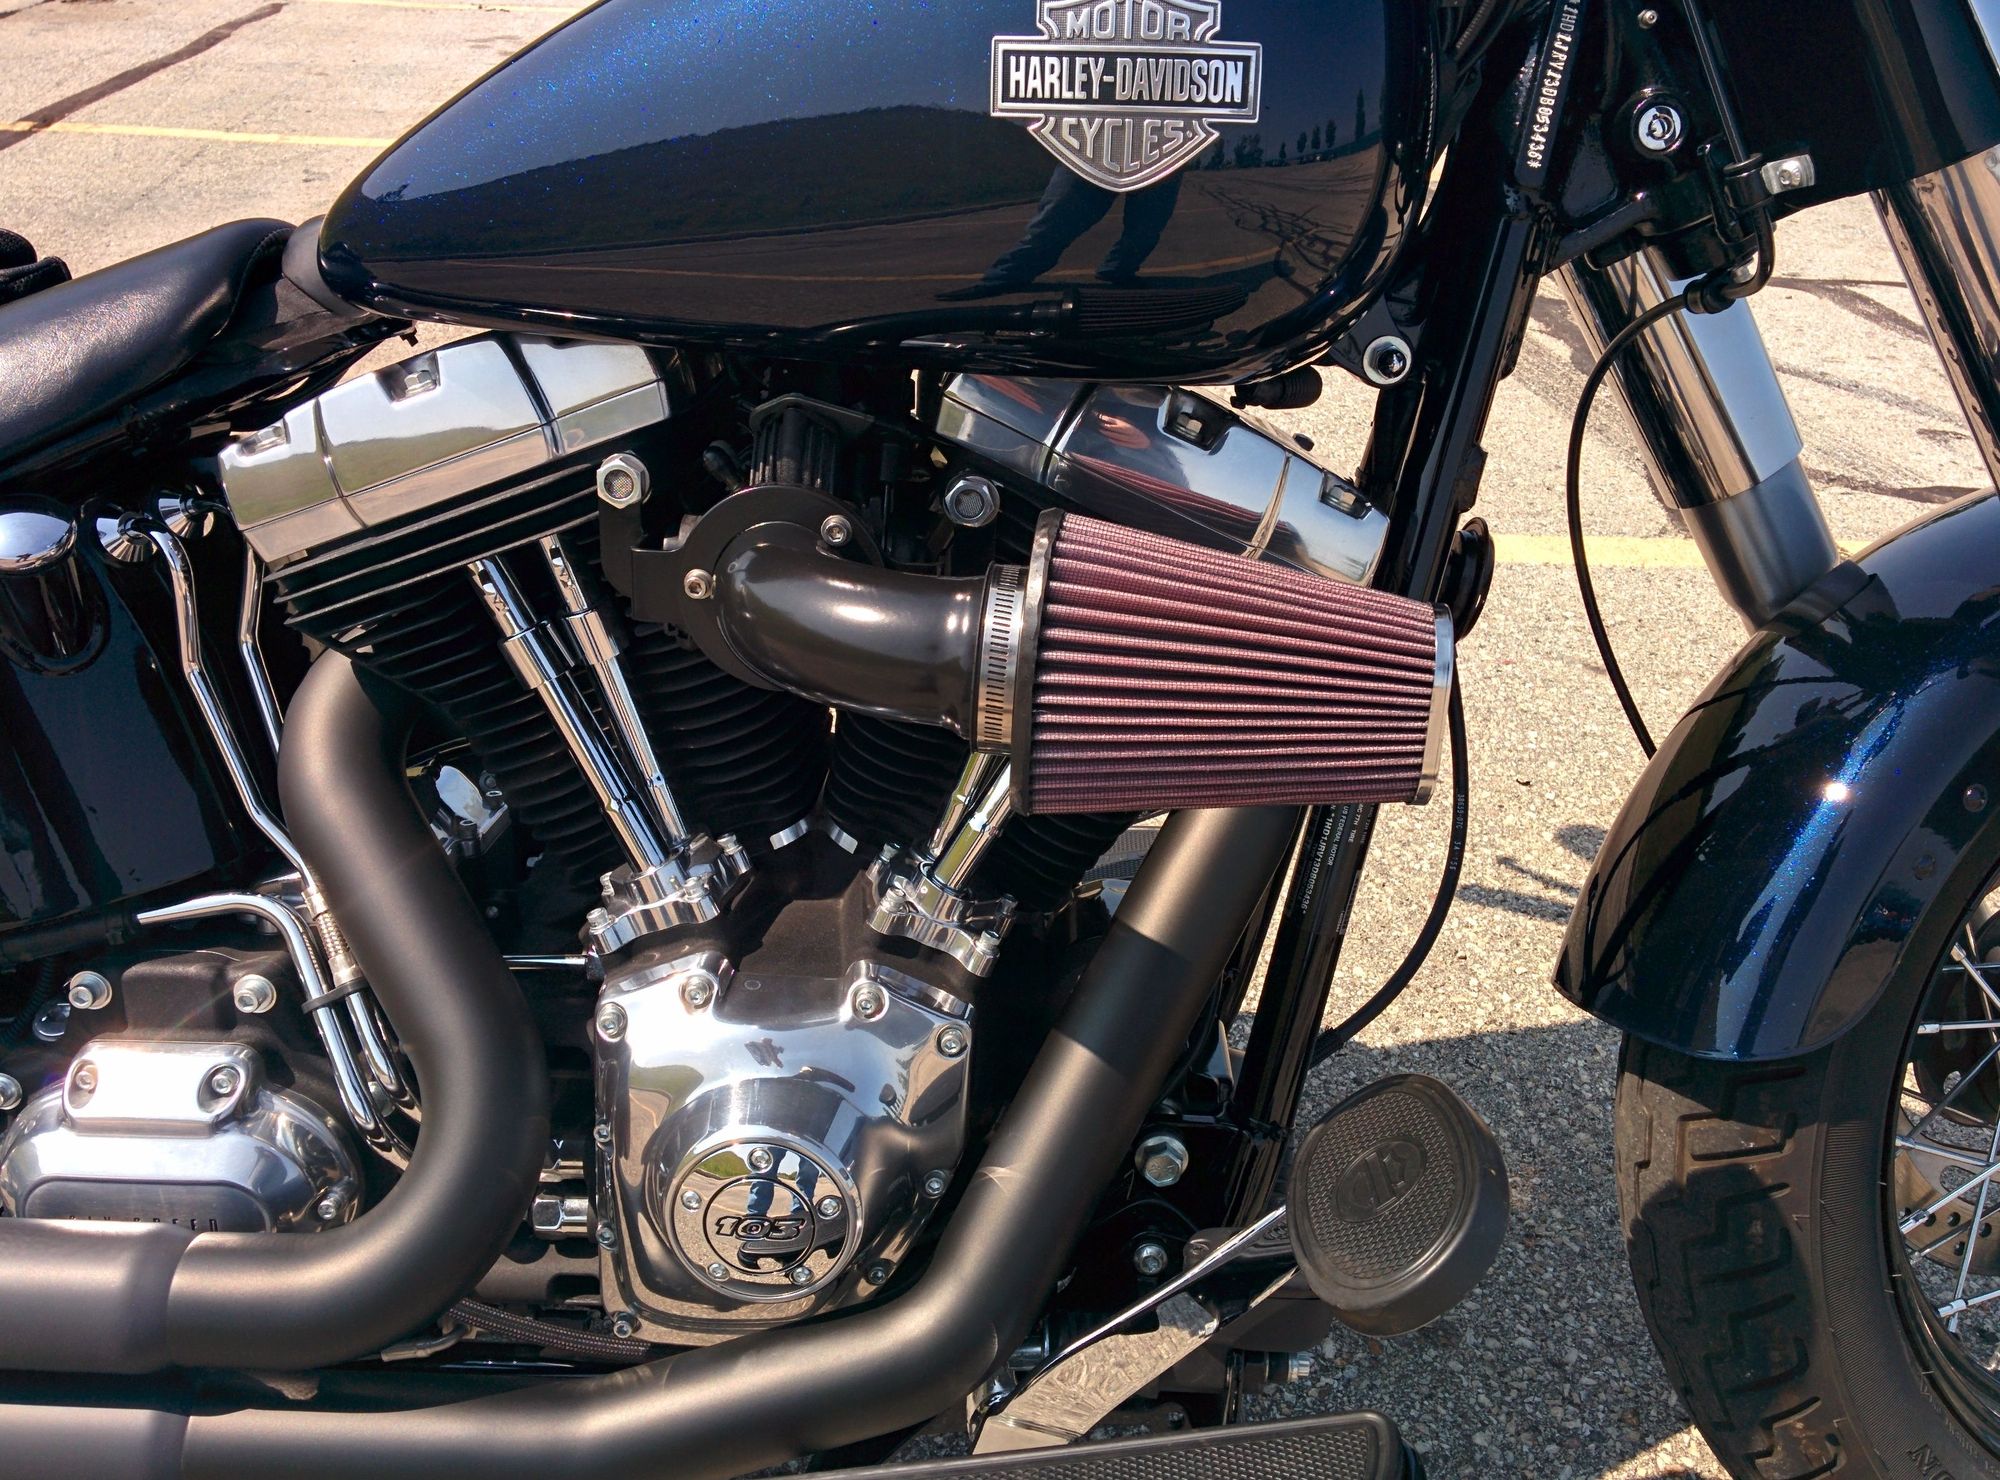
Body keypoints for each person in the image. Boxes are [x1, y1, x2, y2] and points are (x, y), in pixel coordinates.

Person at [941, 166, 1183, 300]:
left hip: (1163, 134)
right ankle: (1005, 276)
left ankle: (1119, 269)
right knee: (1058, 215)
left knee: (1149, 221)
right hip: (1092, 135)